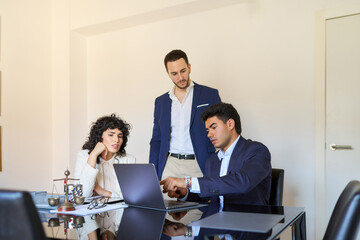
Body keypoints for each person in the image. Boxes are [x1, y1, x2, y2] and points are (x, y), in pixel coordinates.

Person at [160, 103, 272, 205]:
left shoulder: (257, 151)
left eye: (214, 127)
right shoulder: (212, 160)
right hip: (214, 222)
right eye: (208, 131)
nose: (209, 134)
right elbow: (208, 195)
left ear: (230, 124)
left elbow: (243, 182)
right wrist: (184, 194)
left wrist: (187, 182)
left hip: (246, 223)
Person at [149, 49, 221, 183]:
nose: (180, 78)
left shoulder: (209, 95)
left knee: (200, 204)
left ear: (189, 67)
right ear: (168, 74)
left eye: (183, 71)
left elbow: (221, 131)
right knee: (166, 204)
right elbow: (156, 139)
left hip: (199, 164)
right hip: (169, 165)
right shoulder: (161, 102)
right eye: (174, 74)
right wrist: (152, 170)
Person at [74, 114, 135, 199]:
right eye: (111, 135)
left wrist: (103, 192)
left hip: (120, 212)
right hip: (94, 211)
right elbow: (82, 194)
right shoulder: (83, 156)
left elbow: (132, 197)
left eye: (120, 136)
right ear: (100, 136)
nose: (116, 140)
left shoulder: (128, 160)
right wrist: (94, 154)